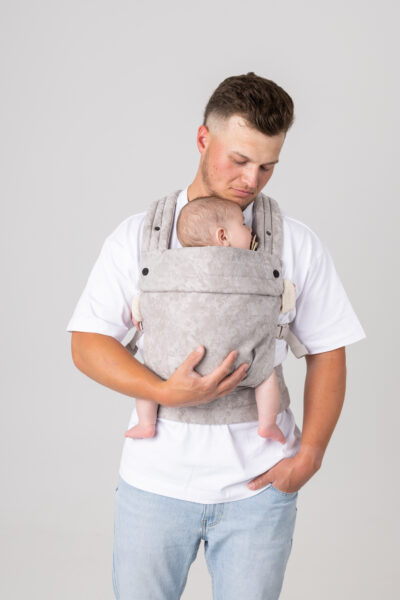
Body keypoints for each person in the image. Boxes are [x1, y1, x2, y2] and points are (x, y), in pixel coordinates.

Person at [66, 72, 366, 599]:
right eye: (240, 159)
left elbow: (328, 350)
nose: (252, 179)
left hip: (259, 490)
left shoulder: (294, 243)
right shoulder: (137, 237)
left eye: (268, 166)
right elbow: (87, 344)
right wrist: (165, 392)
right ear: (204, 138)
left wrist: (310, 455)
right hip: (154, 484)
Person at [124, 195, 288, 444]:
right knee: (266, 376)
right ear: (223, 236)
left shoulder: (171, 267)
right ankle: (268, 424)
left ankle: (146, 423)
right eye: (243, 225)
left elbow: (148, 301)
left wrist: (138, 314)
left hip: (171, 365)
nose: (251, 231)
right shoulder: (251, 267)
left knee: (148, 378)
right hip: (241, 363)